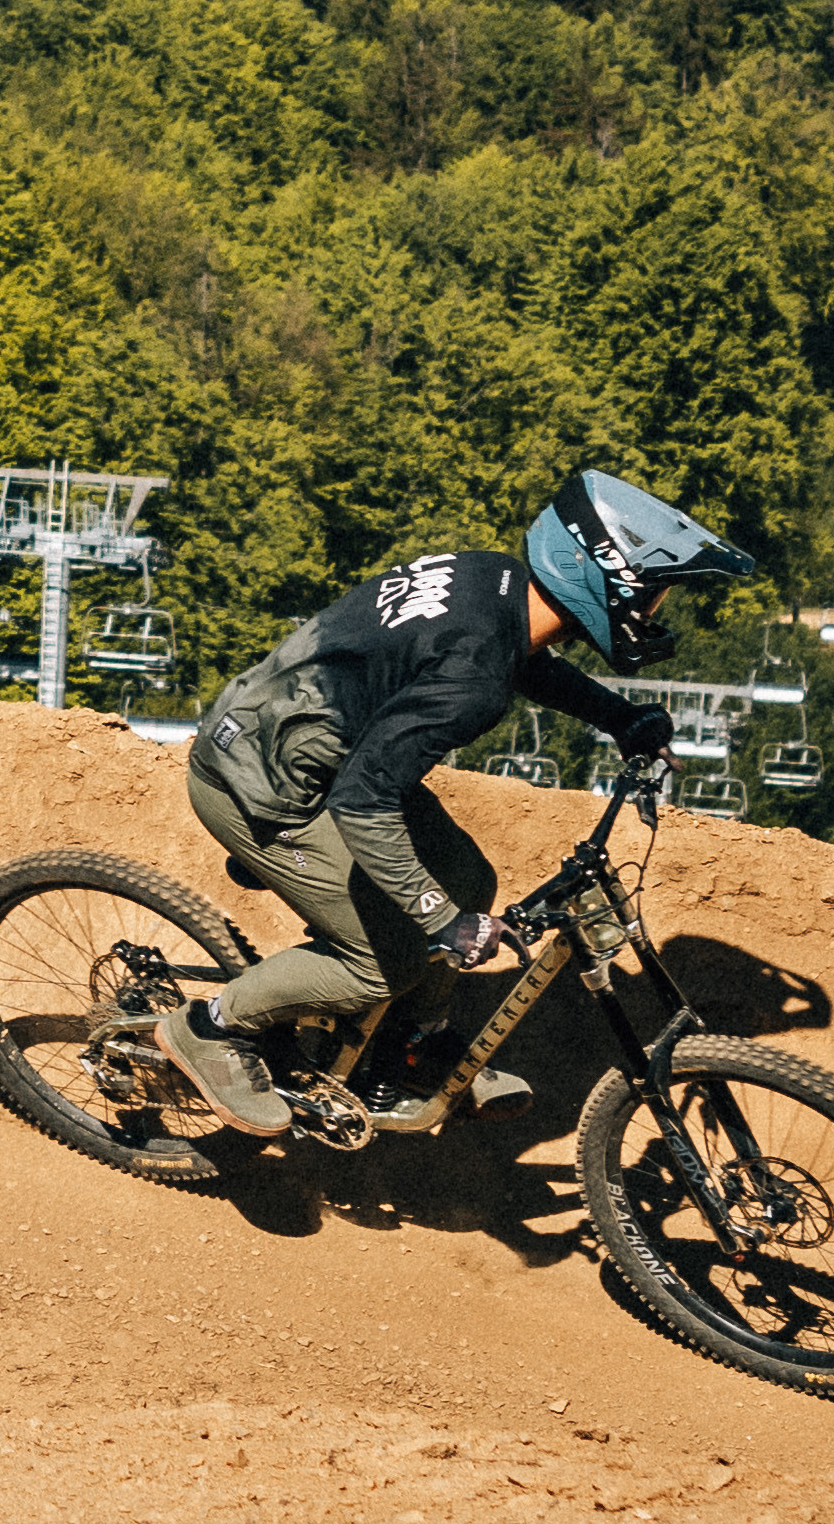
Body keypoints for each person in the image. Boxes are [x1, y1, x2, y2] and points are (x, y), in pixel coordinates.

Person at [162, 466, 759, 1136]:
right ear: (604, 581)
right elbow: (365, 802)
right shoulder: (474, 682)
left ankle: (406, 1048)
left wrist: (621, 718)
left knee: (472, 879)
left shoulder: (494, 581)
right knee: (386, 962)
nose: (652, 616)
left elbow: (518, 658)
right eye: (651, 599)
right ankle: (206, 1029)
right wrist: (440, 921)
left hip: (312, 747)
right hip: (262, 785)